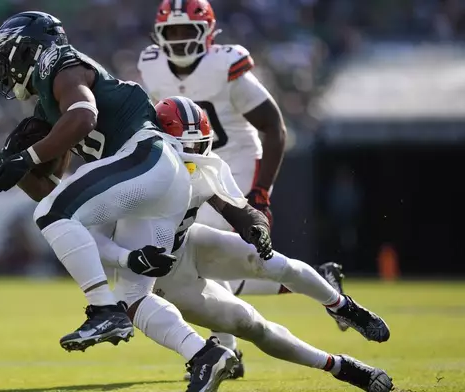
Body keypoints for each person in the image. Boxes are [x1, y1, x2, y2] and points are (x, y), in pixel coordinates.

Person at [0, 12, 237, 391]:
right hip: (157, 183)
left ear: (26, 49)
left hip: (147, 158)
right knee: (134, 297)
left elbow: (84, 116)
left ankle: (104, 311)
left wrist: (30, 156)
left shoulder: (59, 61)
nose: (3, 71)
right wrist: (23, 170)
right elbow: (53, 192)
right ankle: (205, 355)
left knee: (54, 216)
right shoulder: (48, 106)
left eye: (6, 57)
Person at [92, 97, 393, 392]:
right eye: (185, 147)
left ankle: (341, 306)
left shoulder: (203, 166)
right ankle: (340, 366)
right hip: (159, 277)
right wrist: (127, 258)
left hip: (189, 243)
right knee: (252, 326)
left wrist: (255, 225)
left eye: (199, 146)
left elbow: (236, 207)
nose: (193, 155)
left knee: (270, 261)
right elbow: (91, 238)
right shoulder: (127, 174)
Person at [137, 0, 347, 377]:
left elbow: (274, 128)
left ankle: (224, 352)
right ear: (159, 35)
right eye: (173, 31)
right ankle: (312, 284)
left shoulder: (226, 65)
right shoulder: (150, 64)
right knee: (198, 261)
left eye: (189, 30)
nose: (181, 39)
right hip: (191, 164)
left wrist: (261, 191)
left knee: (209, 260)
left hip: (235, 160)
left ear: (208, 33)